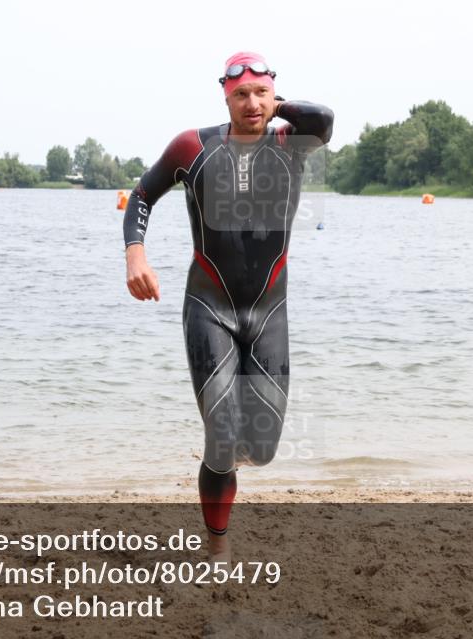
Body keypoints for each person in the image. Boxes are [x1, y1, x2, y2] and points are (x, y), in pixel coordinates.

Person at [123, 51, 333, 559]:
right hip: (209, 305)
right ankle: (216, 549)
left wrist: (276, 107)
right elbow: (142, 196)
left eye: (261, 93)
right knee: (220, 432)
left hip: (268, 313)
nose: (252, 103)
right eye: (241, 94)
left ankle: (228, 462)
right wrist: (135, 254)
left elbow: (324, 120)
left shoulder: (292, 143)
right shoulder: (192, 146)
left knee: (260, 450)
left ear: (275, 95)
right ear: (224, 94)